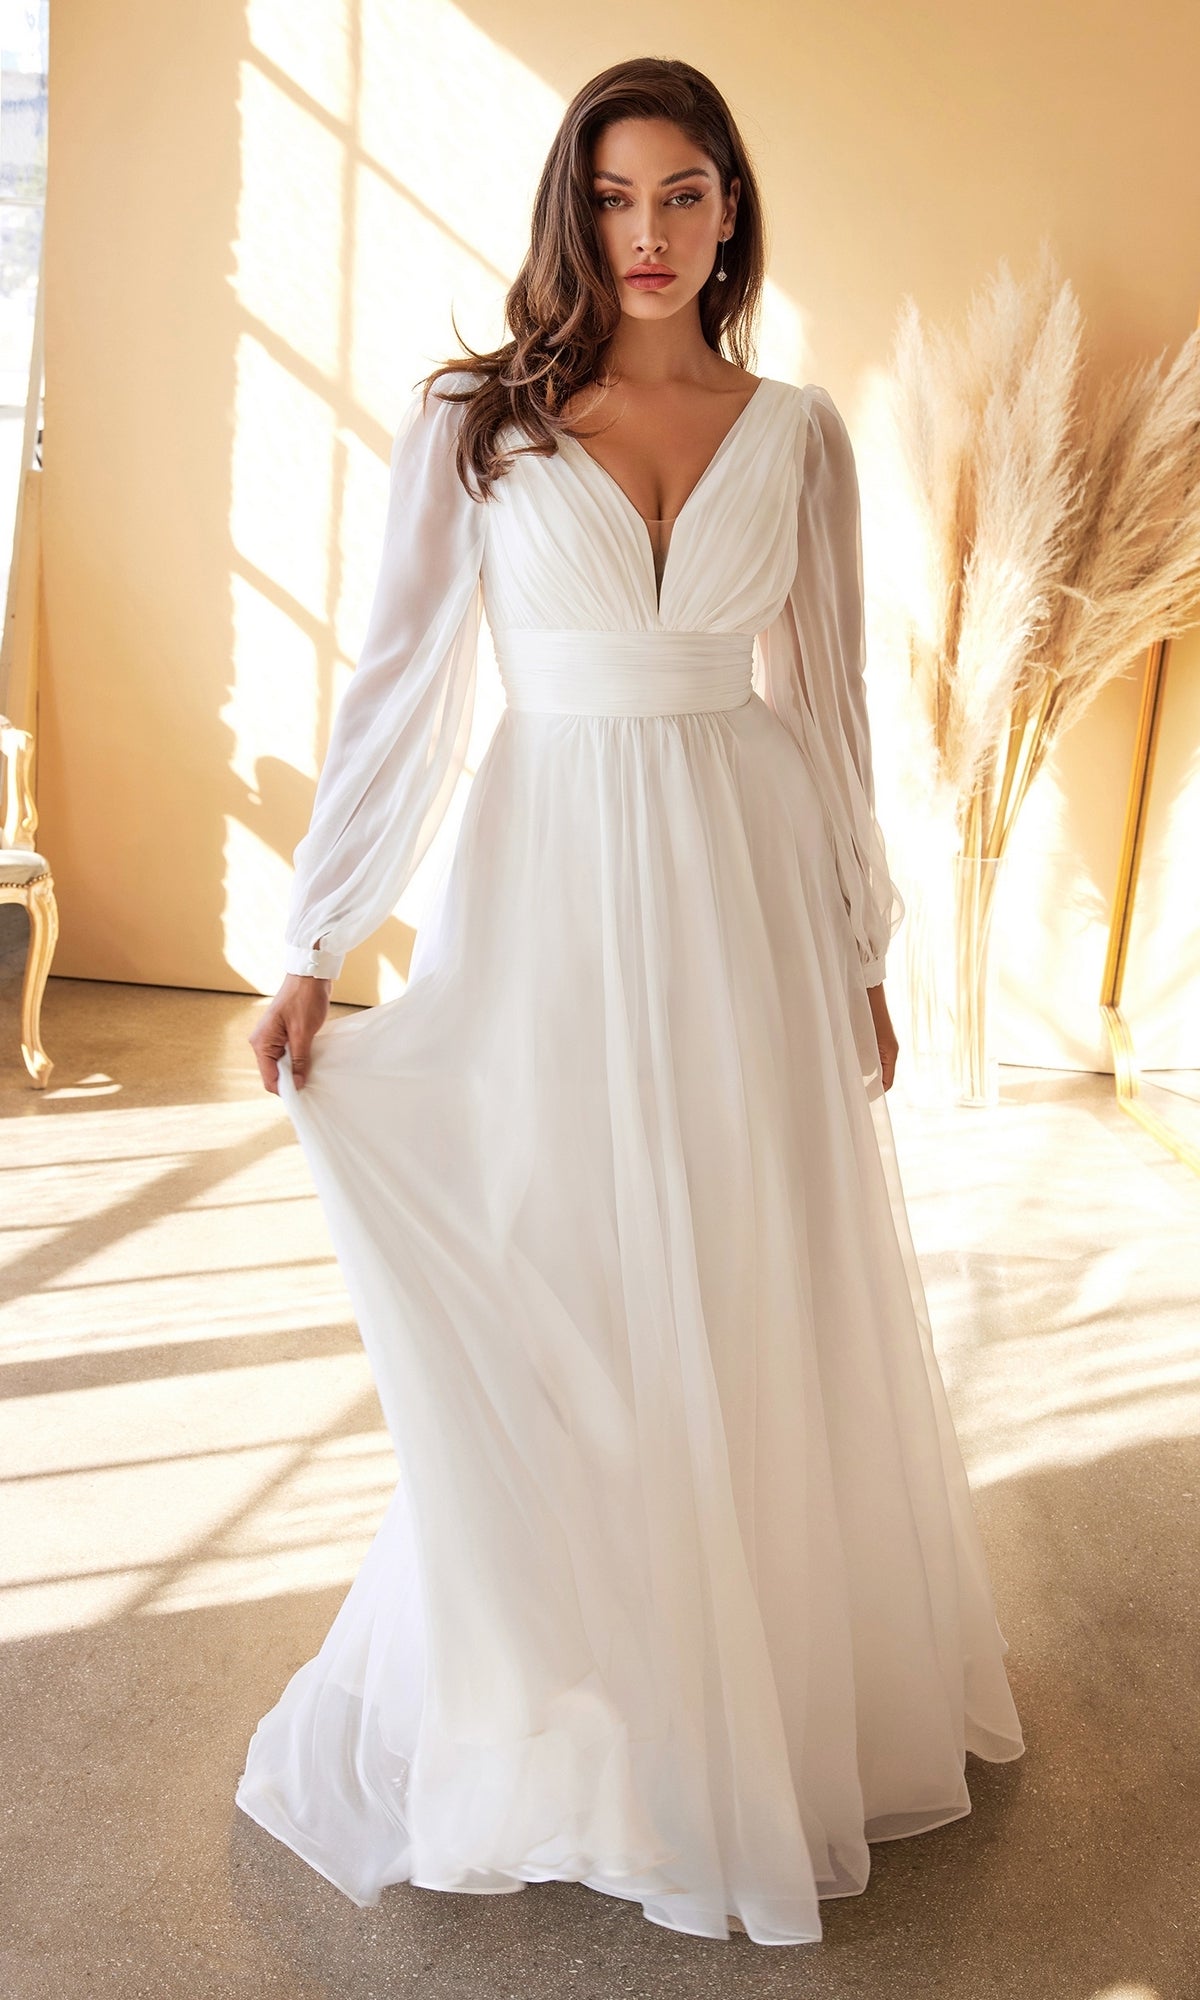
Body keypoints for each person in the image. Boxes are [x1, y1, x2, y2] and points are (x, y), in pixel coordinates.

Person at [237, 55, 1023, 1948]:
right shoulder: (480, 426)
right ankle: (562, 1688)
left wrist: (857, 942)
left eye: (683, 194)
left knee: (745, 1276)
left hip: (747, 890)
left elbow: (828, 710)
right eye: (615, 198)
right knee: (565, 1269)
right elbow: (401, 689)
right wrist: (315, 935)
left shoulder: (802, 431)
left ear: (733, 206)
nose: (649, 234)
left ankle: (735, 1715)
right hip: (554, 886)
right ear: (570, 213)